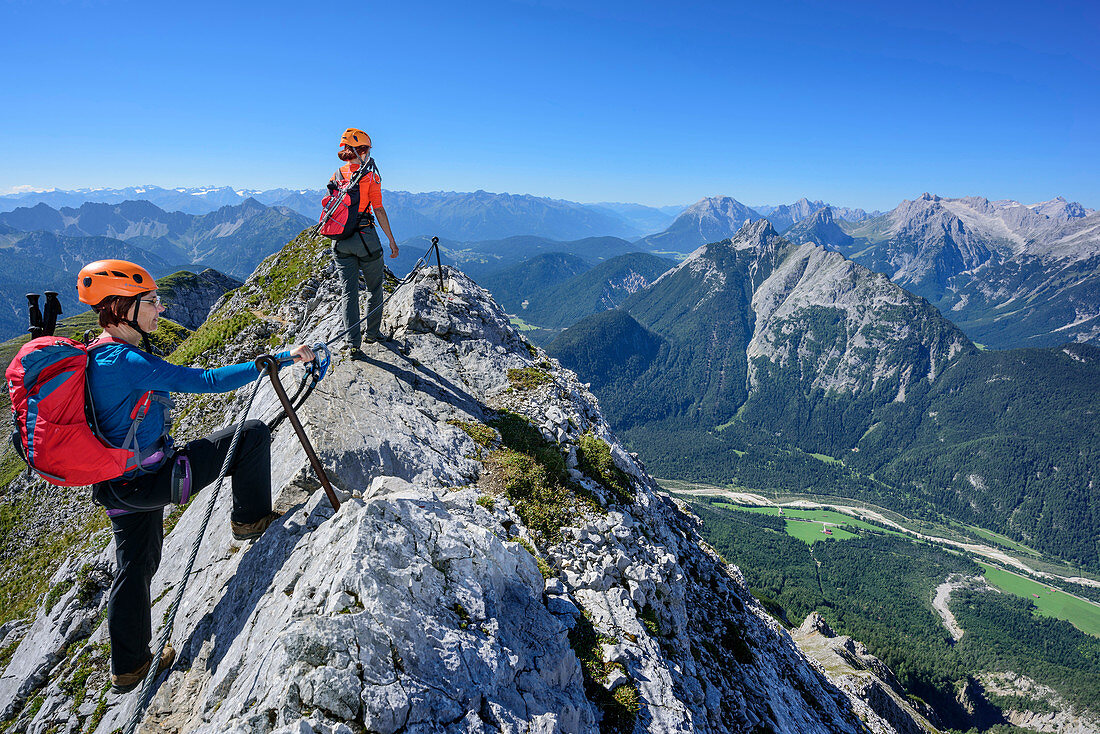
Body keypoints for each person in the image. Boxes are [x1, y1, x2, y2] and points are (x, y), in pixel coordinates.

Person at [76, 259, 316, 693]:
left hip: (116, 485)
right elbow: (205, 379)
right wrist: (274, 359)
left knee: (135, 565)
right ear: (120, 307)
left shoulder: (93, 352)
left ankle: (129, 667)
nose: (160, 309)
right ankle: (250, 520)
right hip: (154, 480)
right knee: (253, 434)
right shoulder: (124, 360)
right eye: (150, 301)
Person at [328, 127, 399, 359]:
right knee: (374, 288)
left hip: (340, 242)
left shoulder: (337, 175)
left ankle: (353, 344)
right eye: (366, 148)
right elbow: (377, 208)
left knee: (348, 293)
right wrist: (391, 240)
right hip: (365, 238)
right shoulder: (370, 176)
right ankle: (372, 334)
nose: (368, 152)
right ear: (359, 150)